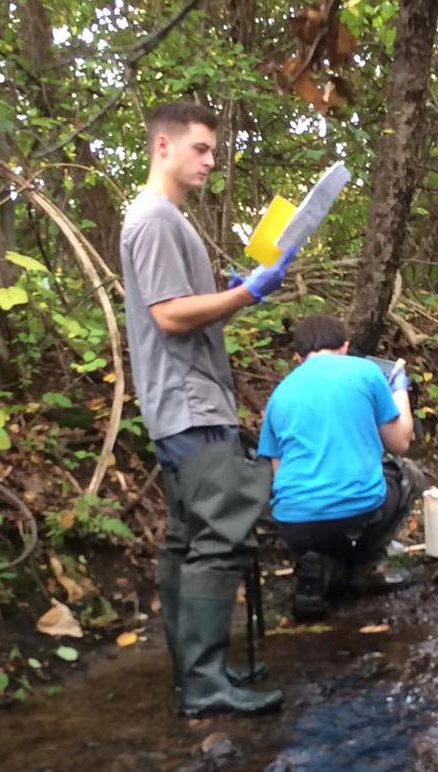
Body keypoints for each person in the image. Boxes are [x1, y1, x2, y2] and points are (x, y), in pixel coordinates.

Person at [120, 101, 298, 717]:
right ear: (163, 146)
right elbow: (169, 316)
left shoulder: (166, 220)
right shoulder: (155, 221)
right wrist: (246, 293)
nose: (210, 161)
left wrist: (226, 287)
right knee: (220, 537)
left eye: (214, 152)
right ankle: (204, 683)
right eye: (200, 149)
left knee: (187, 539)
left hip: (180, 403)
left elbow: (180, 301)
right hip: (191, 405)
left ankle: (197, 674)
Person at [256, 315, 420, 622]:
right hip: (357, 510)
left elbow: (277, 473)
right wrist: (400, 389)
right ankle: (364, 568)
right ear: (344, 347)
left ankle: (316, 567)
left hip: (294, 519)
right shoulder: (366, 371)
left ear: (298, 357)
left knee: (312, 514)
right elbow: (400, 443)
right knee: (407, 474)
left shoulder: (279, 394)